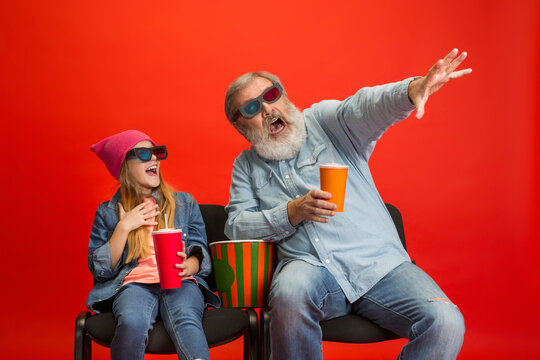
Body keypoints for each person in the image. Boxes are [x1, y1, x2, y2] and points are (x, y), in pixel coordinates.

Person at [223, 49, 471, 360]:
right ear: (240, 126)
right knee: (289, 293)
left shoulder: (326, 122)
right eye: (252, 107)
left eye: (271, 95)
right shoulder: (245, 166)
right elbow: (236, 225)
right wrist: (291, 212)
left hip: (379, 265)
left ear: (285, 97)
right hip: (308, 268)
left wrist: (410, 91)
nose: (268, 109)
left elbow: (366, 106)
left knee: (445, 321)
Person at [86, 130, 220, 360]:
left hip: (180, 282)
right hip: (134, 285)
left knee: (186, 318)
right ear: (123, 166)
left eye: (156, 152)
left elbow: (199, 247)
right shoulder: (108, 212)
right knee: (131, 321)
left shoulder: (183, 203)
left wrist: (190, 265)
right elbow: (100, 269)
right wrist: (123, 228)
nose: (155, 158)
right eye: (144, 154)